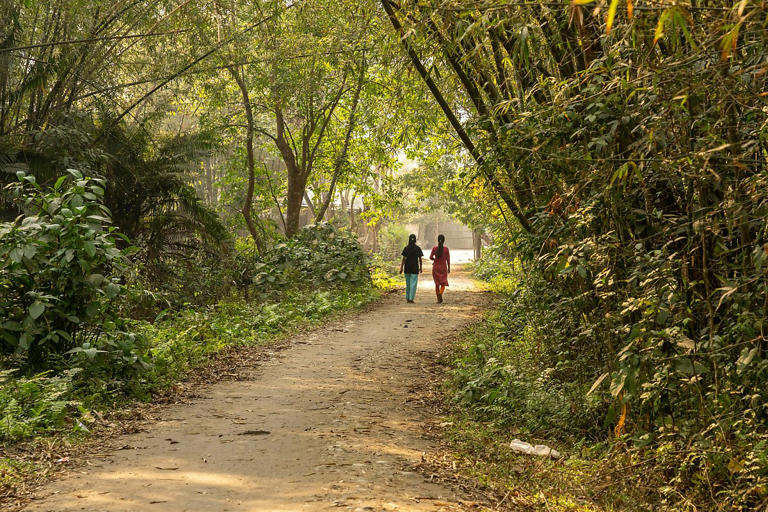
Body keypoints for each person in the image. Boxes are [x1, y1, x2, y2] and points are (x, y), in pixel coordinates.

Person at [399, 234, 423, 303]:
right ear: (415, 240)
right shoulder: (418, 248)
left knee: (408, 284)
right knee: (413, 284)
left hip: (407, 268)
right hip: (415, 269)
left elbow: (403, 259)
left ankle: (407, 298)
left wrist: (401, 268)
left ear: (409, 239)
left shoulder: (406, 248)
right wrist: (421, 268)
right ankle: (411, 299)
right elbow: (420, 259)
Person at [429, 234, 450, 303]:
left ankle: (438, 299)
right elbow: (448, 259)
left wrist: (435, 260)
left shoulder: (434, 248)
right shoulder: (446, 249)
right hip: (443, 267)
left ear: (438, 240)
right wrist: (449, 268)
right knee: (443, 282)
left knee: (437, 283)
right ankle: (441, 292)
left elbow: (431, 257)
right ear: (444, 240)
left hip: (436, 267)